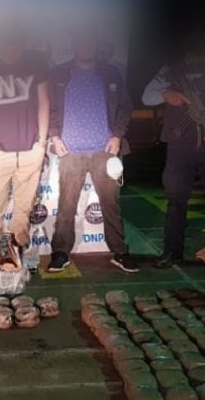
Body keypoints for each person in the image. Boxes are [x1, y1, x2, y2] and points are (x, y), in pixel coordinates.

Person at [141, 35, 205, 268]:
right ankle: (172, 251)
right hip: (180, 147)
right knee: (176, 200)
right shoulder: (171, 67)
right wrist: (166, 94)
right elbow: (147, 96)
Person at [46, 28, 139, 274]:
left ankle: (120, 252)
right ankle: (60, 252)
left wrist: (117, 135)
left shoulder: (110, 72)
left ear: (96, 46)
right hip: (70, 151)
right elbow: (50, 107)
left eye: (90, 43)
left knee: (111, 204)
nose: (86, 47)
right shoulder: (59, 73)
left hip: (105, 151)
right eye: (81, 42)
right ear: (75, 45)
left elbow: (125, 106)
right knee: (66, 205)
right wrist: (54, 136)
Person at [0, 24, 50, 269]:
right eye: (7, 46)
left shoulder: (35, 63)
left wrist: (42, 142)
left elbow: (44, 102)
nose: (12, 51)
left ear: (22, 45)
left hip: (31, 148)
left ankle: (19, 249)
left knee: (24, 206)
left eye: (16, 46)